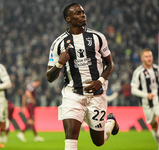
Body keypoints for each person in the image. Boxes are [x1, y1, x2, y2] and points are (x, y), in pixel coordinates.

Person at [46, 3, 119, 149]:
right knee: (70, 140)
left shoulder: (98, 37)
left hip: (96, 95)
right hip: (72, 95)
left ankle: (110, 122)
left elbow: (110, 65)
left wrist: (100, 81)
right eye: (78, 13)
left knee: (99, 141)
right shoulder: (58, 43)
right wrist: (60, 63)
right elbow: (49, 77)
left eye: (83, 12)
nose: (82, 15)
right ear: (68, 18)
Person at [131, 48, 159, 150]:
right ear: (142, 58)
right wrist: (146, 95)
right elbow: (133, 90)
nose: (149, 58)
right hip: (147, 104)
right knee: (154, 126)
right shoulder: (138, 72)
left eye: (150, 56)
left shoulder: (158, 69)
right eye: (146, 56)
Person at [17, 77, 44, 142]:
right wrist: (32, 99)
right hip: (30, 104)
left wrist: (23, 106)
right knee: (31, 120)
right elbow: (27, 93)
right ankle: (21, 133)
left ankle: (36, 136)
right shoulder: (32, 86)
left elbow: (24, 96)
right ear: (37, 82)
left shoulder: (29, 86)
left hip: (28, 104)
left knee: (32, 120)